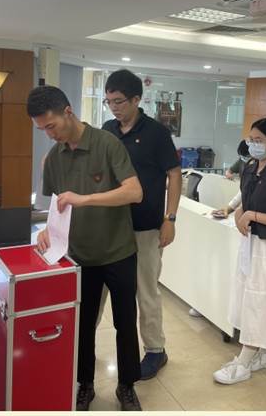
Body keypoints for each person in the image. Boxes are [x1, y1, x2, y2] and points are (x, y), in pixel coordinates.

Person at [30, 86, 144, 411]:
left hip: (119, 252)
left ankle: (126, 385)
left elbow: (135, 192)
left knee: (125, 323)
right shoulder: (54, 158)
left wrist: (86, 198)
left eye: (51, 126)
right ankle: (85, 384)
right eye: (42, 129)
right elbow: (56, 205)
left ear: (68, 112)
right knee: (82, 325)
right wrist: (46, 231)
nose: (49, 134)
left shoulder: (107, 144)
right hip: (79, 256)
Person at [97, 70, 181, 380]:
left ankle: (156, 350)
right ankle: (82, 344)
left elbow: (174, 174)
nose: (114, 107)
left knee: (146, 291)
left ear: (136, 99)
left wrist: (170, 218)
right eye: (109, 101)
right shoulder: (107, 129)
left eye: (119, 101)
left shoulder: (157, 133)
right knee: (97, 289)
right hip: (110, 227)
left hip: (145, 227)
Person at [213, 117, 266, 385]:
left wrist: (251, 215)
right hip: (251, 244)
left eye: (259, 140)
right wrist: (237, 211)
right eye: (251, 139)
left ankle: (244, 361)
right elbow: (246, 199)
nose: (253, 144)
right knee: (249, 297)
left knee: (261, 302)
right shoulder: (251, 167)